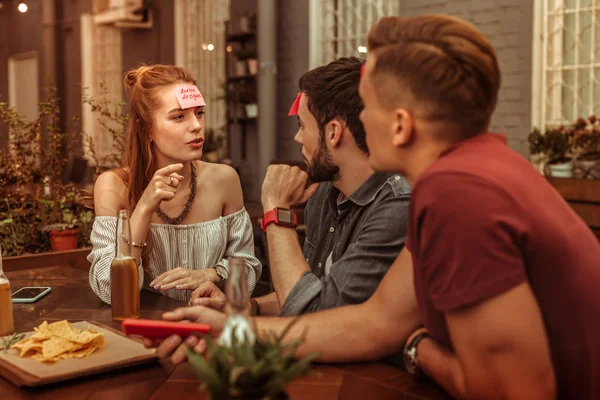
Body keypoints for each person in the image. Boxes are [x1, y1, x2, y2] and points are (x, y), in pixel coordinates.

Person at [151, 14, 600, 399]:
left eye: (367, 106)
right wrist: (232, 329)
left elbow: (517, 390)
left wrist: (417, 346)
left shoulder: (459, 194)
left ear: (401, 124)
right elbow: (377, 322)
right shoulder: (471, 173)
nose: (358, 123)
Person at [189, 57, 411, 317]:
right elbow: (309, 289)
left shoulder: (396, 207)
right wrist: (248, 307)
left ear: (333, 132)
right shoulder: (326, 192)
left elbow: (313, 311)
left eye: (303, 126)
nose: (297, 137)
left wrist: (276, 206)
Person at [88, 64, 261, 305]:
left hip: (209, 328)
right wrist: (144, 208)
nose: (196, 125)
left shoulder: (225, 179)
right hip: (143, 331)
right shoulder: (114, 186)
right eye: (179, 116)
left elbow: (248, 272)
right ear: (146, 128)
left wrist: (212, 274)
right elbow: (112, 293)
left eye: (199, 113)